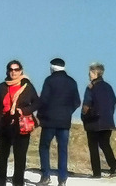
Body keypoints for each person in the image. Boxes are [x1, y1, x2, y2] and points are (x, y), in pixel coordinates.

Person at [0, 59, 40, 186]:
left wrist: (24, 110)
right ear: (7, 71)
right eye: (11, 70)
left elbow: (38, 102)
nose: (13, 72)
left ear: (21, 71)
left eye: (16, 70)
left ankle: (18, 182)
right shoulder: (2, 87)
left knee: (20, 157)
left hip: (21, 126)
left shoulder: (27, 86)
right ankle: (0, 181)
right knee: (1, 155)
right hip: (4, 125)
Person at [37, 57, 81, 186]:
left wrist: (41, 115)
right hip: (64, 122)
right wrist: (68, 112)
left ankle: (46, 176)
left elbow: (43, 100)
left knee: (44, 147)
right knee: (62, 150)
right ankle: (62, 179)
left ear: (52, 68)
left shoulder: (49, 80)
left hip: (49, 121)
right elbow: (77, 102)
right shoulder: (72, 82)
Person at [82, 62, 116, 179]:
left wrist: (84, 117)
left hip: (93, 121)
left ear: (95, 73)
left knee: (93, 147)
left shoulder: (91, 88)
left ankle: (96, 172)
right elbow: (113, 103)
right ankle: (113, 165)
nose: (89, 74)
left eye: (91, 72)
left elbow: (86, 105)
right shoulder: (108, 87)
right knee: (105, 144)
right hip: (107, 121)